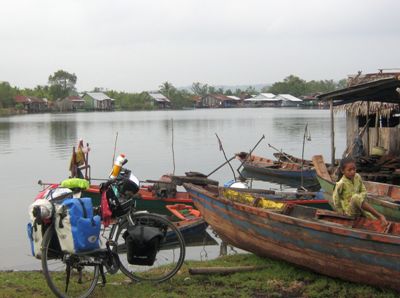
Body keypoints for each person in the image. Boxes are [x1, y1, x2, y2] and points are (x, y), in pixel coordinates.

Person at [332, 157, 388, 225]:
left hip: (360, 207)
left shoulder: (357, 177)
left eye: (354, 169)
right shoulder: (341, 183)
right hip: (349, 211)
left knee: (373, 219)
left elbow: (364, 191)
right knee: (355, 197)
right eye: (349, 170)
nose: (353, 171)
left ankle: (380, 220)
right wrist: (341, 212)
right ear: (343, 171)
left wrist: (359, 198)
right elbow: (336, 199)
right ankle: (380, 215)